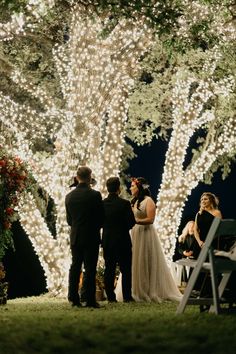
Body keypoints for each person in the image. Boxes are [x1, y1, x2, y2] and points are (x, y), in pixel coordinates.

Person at [119, 177, 182, 302]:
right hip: (135, 233)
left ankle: (148, 290)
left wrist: (136, 221)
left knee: (145, 259)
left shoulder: (149, 201)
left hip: (146, 233)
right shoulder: (133, 201)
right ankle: (134, 289)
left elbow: (151, 219)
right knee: (134, 260)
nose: (130, 188)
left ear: (140, 187)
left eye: (133, 186)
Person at [65, 166, 104, 308]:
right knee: (90, 268)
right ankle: (89, 299)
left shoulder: (69, 197)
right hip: (91, 236)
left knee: (75, 267)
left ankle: (73, 299)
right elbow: (101, 217)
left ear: (77, 177)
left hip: (75, 236)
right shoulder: (95, 195)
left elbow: (69, 220)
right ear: (89, 177)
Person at [102, 177, 136, 303]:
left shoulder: (102, 203)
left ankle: (111, 297)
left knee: (109, 269)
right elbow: (131, 223)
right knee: (126, 270)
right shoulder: (124, 204)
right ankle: (127, 296)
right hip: (123, 241)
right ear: (119, 189)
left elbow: (99, 222)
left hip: (108, 241)